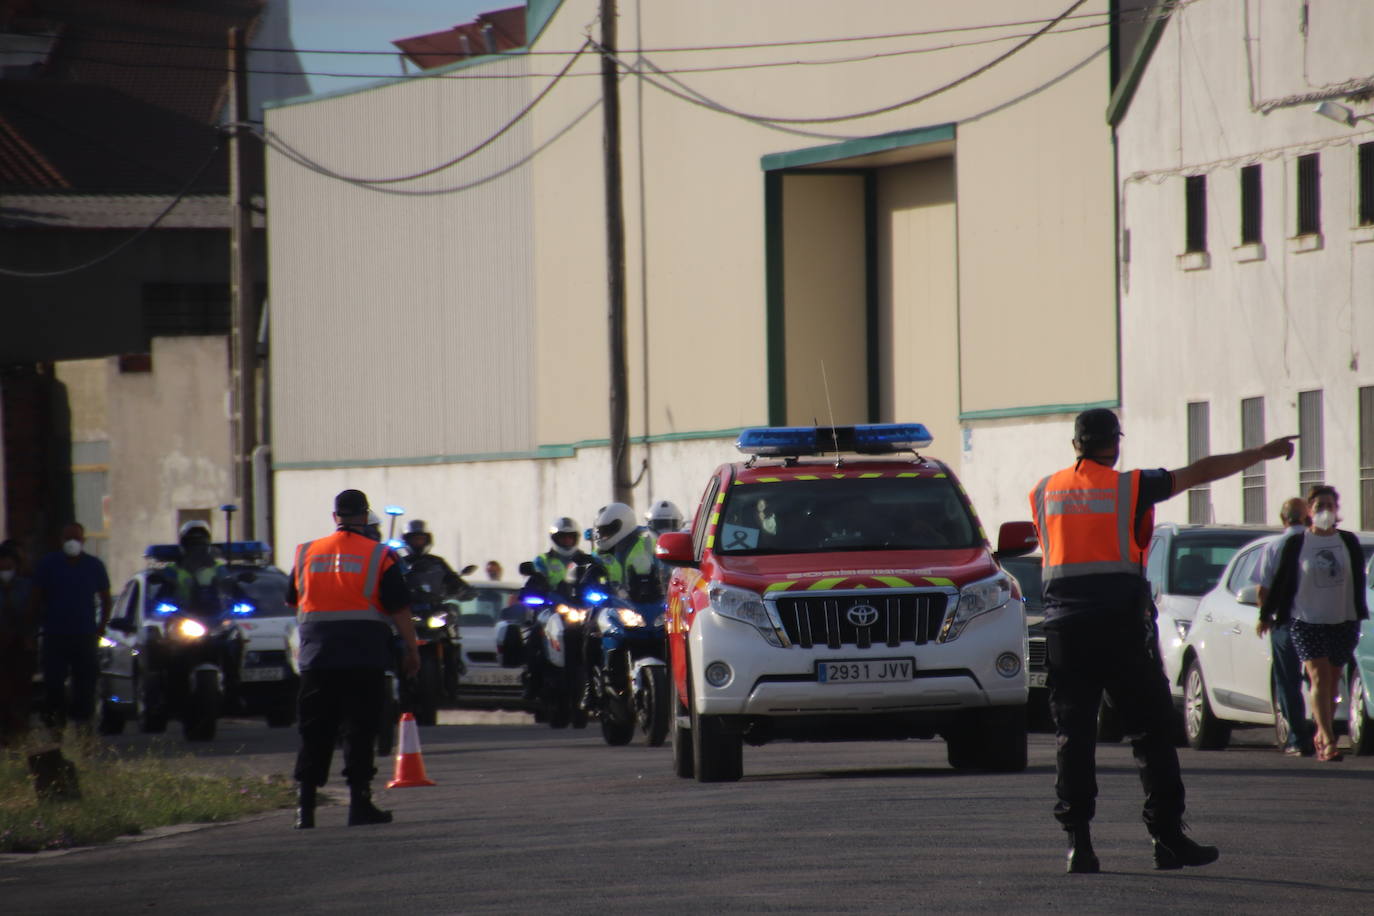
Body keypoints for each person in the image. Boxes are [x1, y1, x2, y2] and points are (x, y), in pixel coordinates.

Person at [1028, 408, 1296, 874]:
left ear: (1076, 445)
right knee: (1151, 733)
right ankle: (1167, 840)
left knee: (1074, 736)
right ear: (1115, 444)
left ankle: (1079, 845)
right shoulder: (1130, 487)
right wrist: (1262, 453)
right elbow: (1201, 471)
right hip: (1120, 631)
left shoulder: (1043, 492)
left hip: (1065, 631)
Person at [287, 489, 421, 829]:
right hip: (364, 657)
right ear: (365, 516)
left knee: (314, 730)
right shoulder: (379, 555)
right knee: (360, 730)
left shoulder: (305, 552)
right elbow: (400, 609)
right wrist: (412, 649)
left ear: (335, 516)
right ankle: (359, 804)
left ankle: (305, 808)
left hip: (317, 658)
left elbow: (294, 600)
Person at [1258, 486, 1367, 763]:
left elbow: (1357, 579)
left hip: (1342, 619)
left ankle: (1321, 730)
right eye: (1319, 506)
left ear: (1337, 510)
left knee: (1331, 681)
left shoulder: (1348, 541)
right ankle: (1328, 739)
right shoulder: (1298, 543)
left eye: (1330, 506)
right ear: (1309, 511)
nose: (1325, 511)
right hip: (1306, 619)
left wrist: (1358, 611)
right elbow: (1281, 580)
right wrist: (1266, 615)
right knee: (1318, 677)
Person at [30, 523, 112, 733]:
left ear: (83, 541)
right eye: (67, 538)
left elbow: (105, 599)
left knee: (85, 685)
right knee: (54, 684)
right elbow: (36, 599)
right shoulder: (48, 564)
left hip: (84, 635)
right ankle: (55, 728)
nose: (71, 542)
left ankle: (83, 728)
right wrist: (34, 627)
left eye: (75, 538)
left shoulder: (94, 566)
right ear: (61, 540)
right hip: (55, 636)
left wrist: (101, 627)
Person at [1252, 497, 1315, 757]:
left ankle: (1299, 736)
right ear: (1307, 517)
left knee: (1287, 680)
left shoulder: (1273, 547)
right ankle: (1323, 729)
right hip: (1318, 619)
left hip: (1286, 621)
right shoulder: (1319, 543)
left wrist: (1264, 616)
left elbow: (1262, 589)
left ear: (1283, 519)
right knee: (1320, 679)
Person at [0, 544, 37, 746]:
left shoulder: (26, 587)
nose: (5, 571)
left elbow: (32, 613)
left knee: (21, 692)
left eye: (9, 566)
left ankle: (20, 733)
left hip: (20, 648)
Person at [159, 520, 224, 609]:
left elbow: (232, 589)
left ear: (207, 545)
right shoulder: (173, 570)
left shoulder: (218, 568)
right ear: (184, 546)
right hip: (181, 617)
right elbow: (162, 597)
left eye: (200, 544)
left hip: (216, 616)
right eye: (192, 544)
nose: (196, 548)